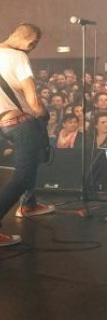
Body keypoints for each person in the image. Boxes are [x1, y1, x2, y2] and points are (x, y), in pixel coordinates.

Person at [0, 23, 54, 247]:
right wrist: (44, 114)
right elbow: (33, 102)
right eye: (33, 45)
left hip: (2, 123)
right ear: (31, 43)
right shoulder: (18, 57)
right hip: (19, 123)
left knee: (30, 162)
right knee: (23, 175)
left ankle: (29, 204)